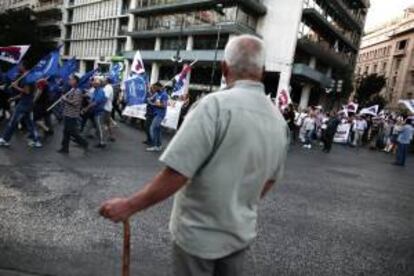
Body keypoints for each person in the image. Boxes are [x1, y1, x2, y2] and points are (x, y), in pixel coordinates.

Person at [99, 35, 289, 276]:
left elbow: (178, 172)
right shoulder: (278, 121)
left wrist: (129, 205)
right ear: (262, 72)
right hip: (240, 236)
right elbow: (270, 179)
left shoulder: (214, 106)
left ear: (224, 67)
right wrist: (239, 202)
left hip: (199, 238)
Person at [0, 63, 42, 148]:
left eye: (20, 65)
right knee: (30, 123)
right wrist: (14, 98)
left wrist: (15, 86)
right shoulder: (27, 76)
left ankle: (5, 139)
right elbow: (26, 94)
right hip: (28, 103)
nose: (18, 67)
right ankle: (36, 140)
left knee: (13, 121)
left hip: (24, 104)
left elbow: (26, 92)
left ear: (24, 67)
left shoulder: (27, 78)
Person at [57, 75, 89, 154]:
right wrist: (63, 99)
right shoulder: (72, 90)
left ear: (75, 81)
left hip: (72, 115)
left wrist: (65, 99)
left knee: (72, 132)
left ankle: (84, 143)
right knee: (66, 132)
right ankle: (64, 148)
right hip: (67, 113)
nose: (69, 81)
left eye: (71, 80)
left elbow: (75, 103)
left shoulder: (77, 91)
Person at [82, 77, 107, 148]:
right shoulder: (95, 91)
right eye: (93, 82)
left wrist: (86, 108)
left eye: (95, 82)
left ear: (98, 84)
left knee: (99, 128)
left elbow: (95, 102)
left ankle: (102, 142)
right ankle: (81, 139)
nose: (93, 83)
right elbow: (92, 100)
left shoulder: (100, 91)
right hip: (93, 112)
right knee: (87, 126)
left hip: (98, 113)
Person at [146, 82, 169, 152]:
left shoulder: (164, 94)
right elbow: (151, 99)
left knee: (152, 128)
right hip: (156, 113)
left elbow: (164, 105)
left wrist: (154, 104)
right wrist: (150, 100)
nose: (154, 89)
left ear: (159, 87)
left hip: (160, 114)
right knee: (157, 130)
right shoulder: (157, 94)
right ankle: (159, 145)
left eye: (155, 88)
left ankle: (154, 145)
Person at [102, 76, 115, 142]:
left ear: (107, 81)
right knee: (107, 123)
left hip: (105, 108)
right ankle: (111, 136)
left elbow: (105, 98)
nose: (103, 81)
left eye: (104, 80)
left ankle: (103, 139)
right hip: (107, 107)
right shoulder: (107, 87)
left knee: (102, 123)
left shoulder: (108, 88)